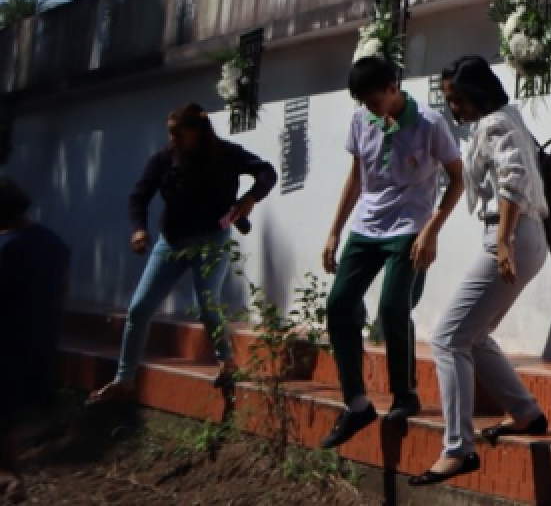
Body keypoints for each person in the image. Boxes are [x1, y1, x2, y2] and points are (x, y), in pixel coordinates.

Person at [409, 56, 551, 487]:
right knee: (473, 335)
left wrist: (504, 242)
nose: (454, 108)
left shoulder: (494, 125)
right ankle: (526, 413)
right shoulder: (507, 118)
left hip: (510, 238)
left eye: (458, 99)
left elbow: (513, 178)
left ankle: (458, 449)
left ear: (477, 92)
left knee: (447, 338)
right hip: (525, 238)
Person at [319, 53, 464, 449]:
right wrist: (334, 232)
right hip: (366, 227)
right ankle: (357, 403)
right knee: (338, 304)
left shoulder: (430, 123)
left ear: (392, 88)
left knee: (392, 308)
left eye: (374, 100)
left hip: (409, 226)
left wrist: (432, 229)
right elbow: (356, 177)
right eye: (363, 103)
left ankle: (405, 394)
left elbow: (457, 179)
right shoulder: (361, 120)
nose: (370, 109)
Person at [88, 104, 275, 404]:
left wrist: (251, 198)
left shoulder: (225, 154)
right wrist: (139, 229)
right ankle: (124, 379)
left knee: (207, 305)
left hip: (212, 239)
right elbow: (140, 195)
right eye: (170, 133)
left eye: (178, 133)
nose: (172, 139)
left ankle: (227, 363)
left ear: (197, 132)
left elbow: (266, 172)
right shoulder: (164, 159)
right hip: (172, 242)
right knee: (139, 308)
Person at [0, 176, 70, 502]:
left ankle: (9, 477)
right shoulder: (52, 242)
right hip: (39, 346)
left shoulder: (6, 248)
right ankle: (9, 476)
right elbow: (62, 291)